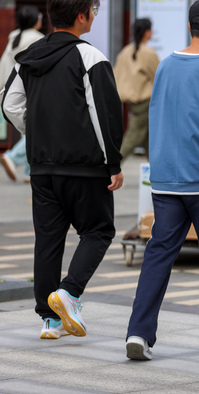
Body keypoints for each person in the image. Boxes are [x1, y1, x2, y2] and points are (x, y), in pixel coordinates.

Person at [2, 0, 124, 340]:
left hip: (42, 167)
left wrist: (37, 129)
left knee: (49, 240)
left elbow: (9, 103)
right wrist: (112, 163)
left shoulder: (29, 56)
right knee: (98, 231)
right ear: (83, 16)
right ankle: (69, 293)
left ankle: (49, 320)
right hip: (84, 166)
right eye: (94, 12)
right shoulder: (90, 57)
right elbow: (104, 115)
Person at [125, 0, 199, 361]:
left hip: (165, 179)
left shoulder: (166, 65)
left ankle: (139, 332)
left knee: (158, 254)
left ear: (189, 26)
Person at [0, 5, 44, 182]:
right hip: (25, 90)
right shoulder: (38, 39)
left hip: (9, 91)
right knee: (35, 128)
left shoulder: (14, 38)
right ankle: (12, 157)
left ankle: (29, 171)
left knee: (30, 127)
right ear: (35, 21)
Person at [113, 18, 159, 161]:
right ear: (147, 32)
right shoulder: (148, 53)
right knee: (134, 137)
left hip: (131, 101)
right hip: (145, 101)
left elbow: (116, 75)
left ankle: (156, 171)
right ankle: (112, 167)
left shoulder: (125, 51)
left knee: (147, 137)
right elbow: (158, 76)